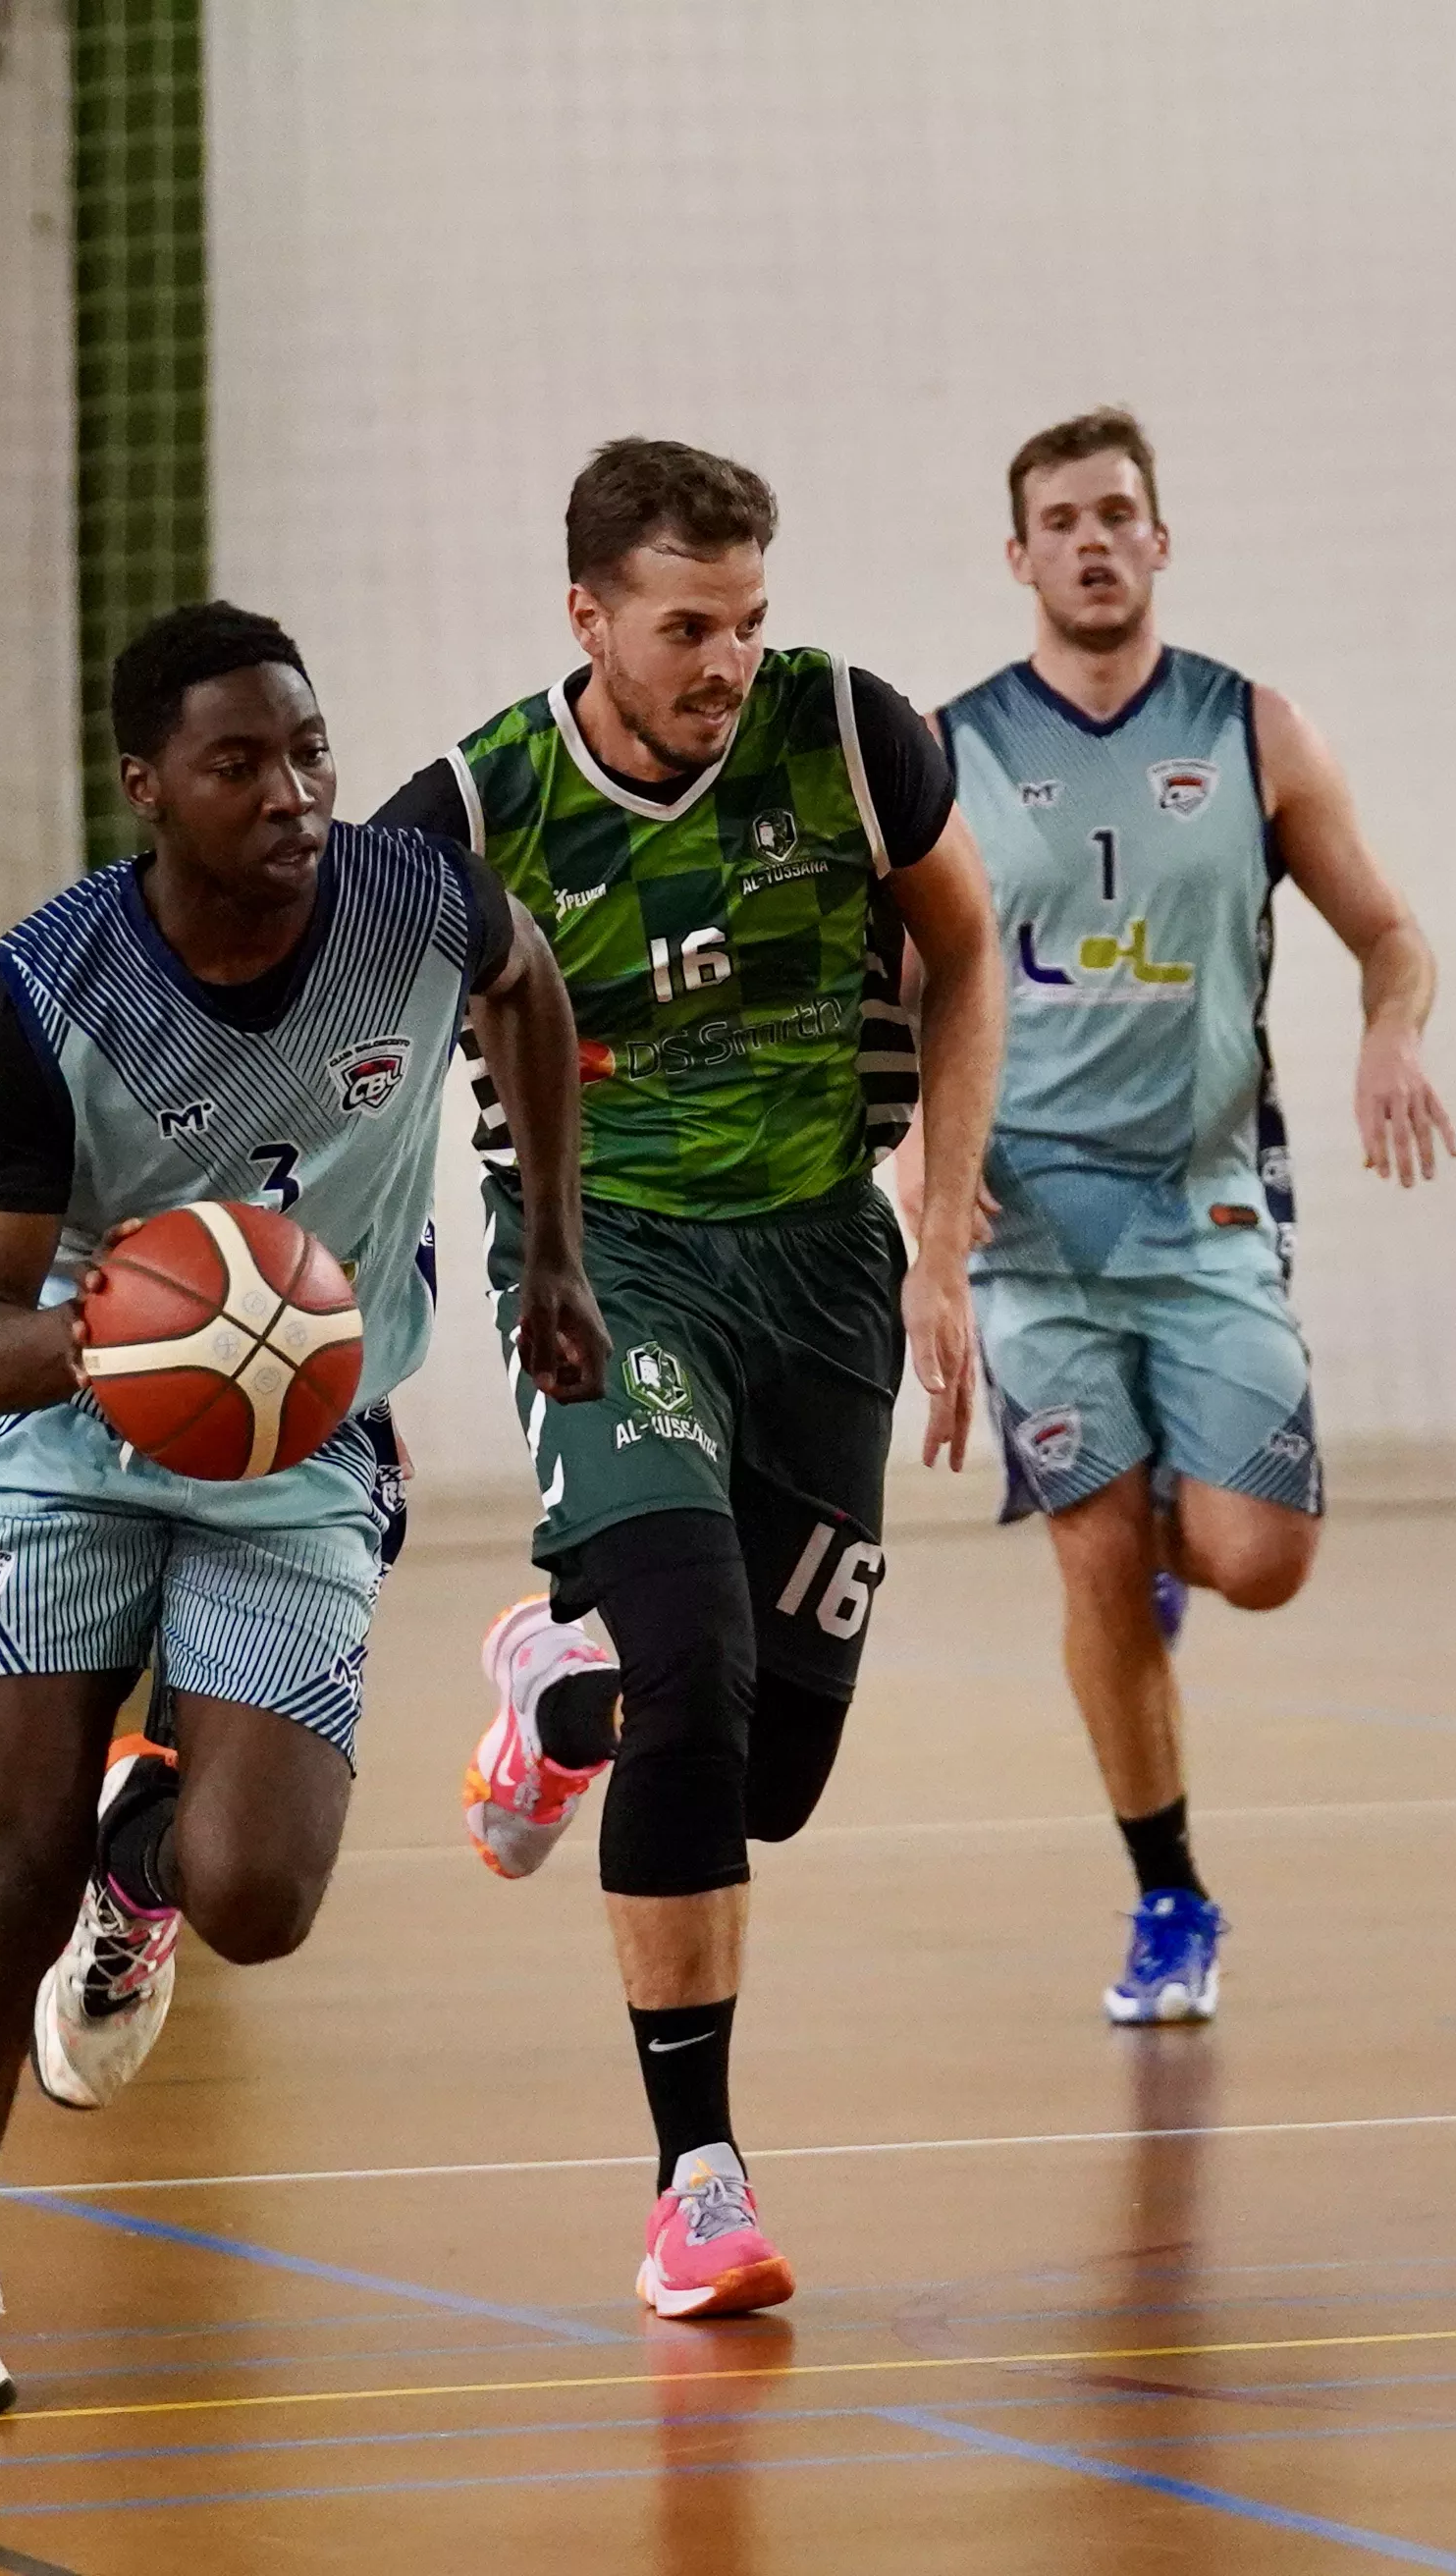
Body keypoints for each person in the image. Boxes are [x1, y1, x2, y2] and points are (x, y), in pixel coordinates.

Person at [0, 601, 603, 2418]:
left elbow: (529, 990)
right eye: (240, 763)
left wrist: (552, 1256)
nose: (294, 794)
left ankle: (156, 1858)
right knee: (4, 1864)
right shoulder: (51, 994)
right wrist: (145, 1332)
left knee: (260, 1897)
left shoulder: (415, 901)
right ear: (148, 787)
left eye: (310, 751)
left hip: (295, 1447)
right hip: (62, 1436)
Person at [372, 438, 1004, 2319]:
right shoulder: (470, 814)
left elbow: (968, 956)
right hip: (608, 1264)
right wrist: (355, 1322)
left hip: (822, 1263)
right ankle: (696, 2186)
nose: (724, 662)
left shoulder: (855, 739)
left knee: (770, 1773)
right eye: (683, 628)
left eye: (746, 622)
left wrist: (944, 1239)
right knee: (694, 1668)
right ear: (586, 614)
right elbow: (371, 1068)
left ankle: (543, 1682)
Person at [936, 409, 1451, 2026]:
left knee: (1261, 1558)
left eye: (1119, 515)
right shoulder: (949, 753)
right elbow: (915, 1009)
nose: (1094, 542)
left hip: (1210, 1200)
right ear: (1017, 558)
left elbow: (1390, 931)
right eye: (1061, 522)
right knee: (1092, 1552)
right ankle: (1169, 1895)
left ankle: (1176, 1541)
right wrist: (931, 1239)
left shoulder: (1254, 732)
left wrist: (1390, 1027)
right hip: (1028, 1222)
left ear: (1162, 539)